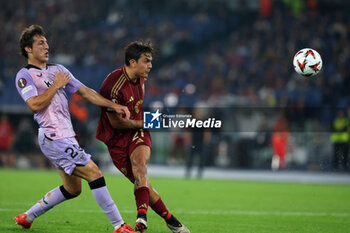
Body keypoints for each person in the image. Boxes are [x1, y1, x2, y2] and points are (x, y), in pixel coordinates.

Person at [14, 25, 137, 233]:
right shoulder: (24, 75)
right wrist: (55, 86)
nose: (46, 46)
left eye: (46, 42)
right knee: (94, 172)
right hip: (53, 136)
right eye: (40, 43)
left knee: (73, 189)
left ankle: (27, 217)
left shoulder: (59, 70)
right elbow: (34, 104)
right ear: (28, 49)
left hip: (66, 136)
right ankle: (119, 226)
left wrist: (113, 105)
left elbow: (87, 92)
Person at [97, 41, 190, 233]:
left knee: (140, 168)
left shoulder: (142, 79)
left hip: (137, 133)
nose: (150, 66)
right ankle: (172, 220)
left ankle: (142, 217)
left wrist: (146, 123)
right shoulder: (112, 86)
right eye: (146, 61)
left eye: (151, 61)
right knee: (142, 182)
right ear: (132, 62)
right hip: (116, 140)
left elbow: (137, 107)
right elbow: (116, 123)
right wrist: (147, 122)